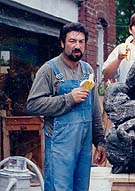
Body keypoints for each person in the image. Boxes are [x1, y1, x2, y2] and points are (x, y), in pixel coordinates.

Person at [26, 22, 106, 191]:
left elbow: (94, 109)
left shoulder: (87, 70)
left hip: (84, 145)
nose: (77, 46)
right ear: (62, 43)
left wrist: (99, 141)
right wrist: (68, 99)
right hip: (59, 145)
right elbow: (33, 104)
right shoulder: (49, 70)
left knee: (81, 187)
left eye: (81, 42)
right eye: (72, 41)